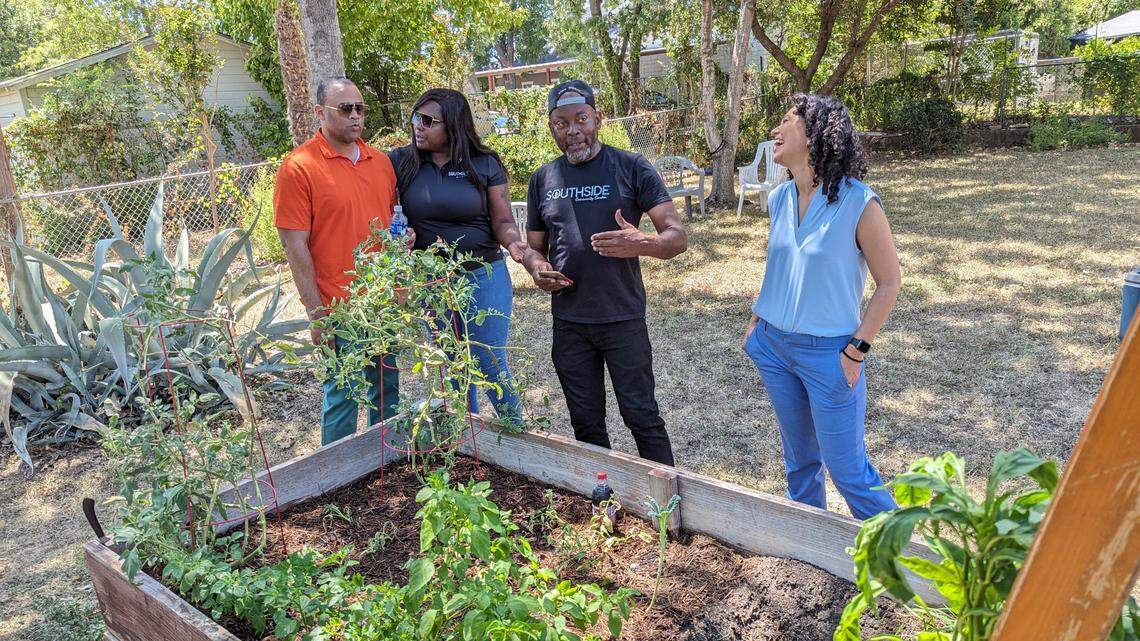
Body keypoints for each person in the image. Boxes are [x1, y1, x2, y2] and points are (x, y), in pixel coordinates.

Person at [742, 93, 901, 520]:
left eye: (785, 122)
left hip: (830, 355)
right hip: (773, 347)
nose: (775, 131)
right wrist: (759, 319)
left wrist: (857, 350)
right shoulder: (779, 198)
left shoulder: (859, 202)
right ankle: (811, 556)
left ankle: (905, 566)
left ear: (813, 134)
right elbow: (781, 263)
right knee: (800, 465)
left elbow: (890, 283)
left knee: (849, 472)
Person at [522, 80, 687, 466]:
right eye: (561, 123)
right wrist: (537, 268)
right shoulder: (543, 179)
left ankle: (667, 505)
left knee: (642, 416)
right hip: (569, 322)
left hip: (622, 318)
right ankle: (603, 501)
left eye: (581, 119)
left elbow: (676, 237)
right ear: (552, 128)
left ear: (598, 117)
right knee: (586, 424)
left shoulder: (630, 166)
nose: (573, 131)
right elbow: (534, 248)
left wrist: (642, 243)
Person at [274, 77, 414, 446]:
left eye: (360, 108)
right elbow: (295, 247)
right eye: (345, 108)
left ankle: (388, 463)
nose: (356, 116)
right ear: (320, 113)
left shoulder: (380, 163)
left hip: (381, 305)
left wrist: (403, 245)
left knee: (387, 392)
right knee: (342, 399)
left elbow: (389, 227)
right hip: (338, 309)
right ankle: (335, 483)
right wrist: (317, 313)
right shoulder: (298, 167)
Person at [389, 88, 534, 422]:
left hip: (484, 274)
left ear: (453, 126)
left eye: (428, 121)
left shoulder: (483, 163)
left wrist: (513, 243)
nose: (418, 126)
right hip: (434, 280)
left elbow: (502, 220)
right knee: (452, 365)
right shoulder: (401, 162)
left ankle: (517, 431)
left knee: (489, 361)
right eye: (415, 117)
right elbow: (386, 210)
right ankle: (466, 441)